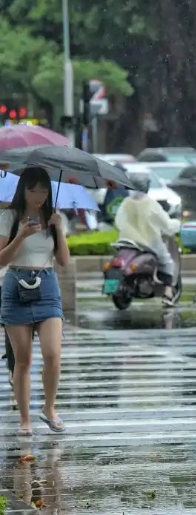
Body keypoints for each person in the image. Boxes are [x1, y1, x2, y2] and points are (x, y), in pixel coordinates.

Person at [0, 167, 70, 435]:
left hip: (48, 285)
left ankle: (49, 408)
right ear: (23, 190)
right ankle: (25, 420)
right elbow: (1, 260)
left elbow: (63, 262)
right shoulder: (10, 216)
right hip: (16, 285)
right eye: (33, 190)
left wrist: (59, 229)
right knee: (23, 360)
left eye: (43, 190)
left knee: (53, 354)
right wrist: (21, 236)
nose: (38, 195)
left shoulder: (53, 217)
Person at [114, 172, 181, 306]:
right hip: (149, 243)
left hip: (127, 242)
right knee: (167, 262)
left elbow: (118, 222)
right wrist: (176, 225)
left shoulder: (126, 203)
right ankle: (168, 292)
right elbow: (166, 225)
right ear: (146, 187)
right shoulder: (151, 204)